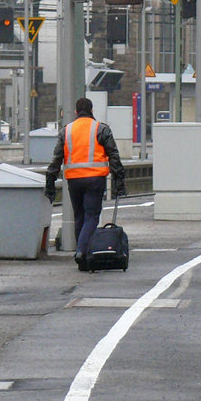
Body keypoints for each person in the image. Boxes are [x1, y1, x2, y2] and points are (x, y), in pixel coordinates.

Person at [45, 97, 128, 271]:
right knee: (91, 216)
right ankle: (81, 251)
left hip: (74, 180)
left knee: (80, 217)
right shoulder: (101, 129)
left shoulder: (66, 131)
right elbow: (114, 155)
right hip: (95, 179)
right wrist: (119, 180)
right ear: (91, 111)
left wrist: (50, 183)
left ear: (76, 112)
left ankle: (83, 258)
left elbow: (55, 160)